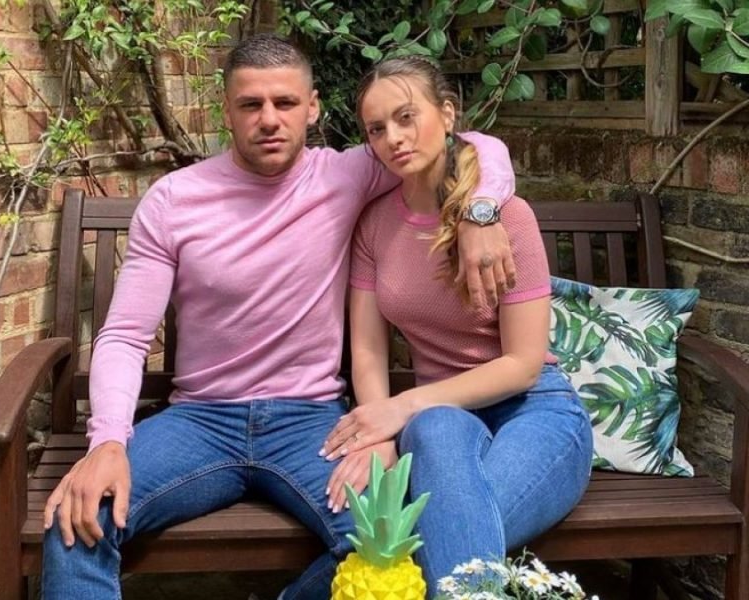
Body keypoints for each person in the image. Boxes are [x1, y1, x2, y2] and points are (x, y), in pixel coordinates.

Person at [40, 35, 519, 599]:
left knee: (388, 539)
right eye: (251, 104)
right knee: (77, 521)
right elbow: (124, 336)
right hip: (200, 420)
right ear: (227, 111)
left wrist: (479, 212)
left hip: (311, 422)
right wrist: (107, 443)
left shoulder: (347, 174)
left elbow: (474, 146)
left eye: (285, 103)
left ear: (312, 108)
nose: (269, 119)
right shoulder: (174, 201)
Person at [320, 56, 594, 597]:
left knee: (439, 530)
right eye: (377, 129)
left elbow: (523, 364)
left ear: (447, 114)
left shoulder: (505, 217)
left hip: (535, 409)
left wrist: (400, 408)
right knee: (436, 435)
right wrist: (380, 432)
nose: (394, 138)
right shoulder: (374, 223)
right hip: (440, 419)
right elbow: (369, 350)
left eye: (406, 117)